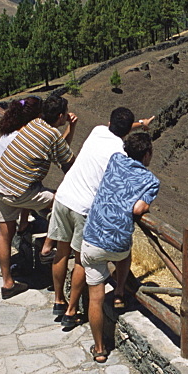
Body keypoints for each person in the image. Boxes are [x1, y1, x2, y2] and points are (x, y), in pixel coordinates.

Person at [39, 108, 155, 324]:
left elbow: (118, 125)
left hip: (63, 196)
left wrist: (140, 122)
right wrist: (141, 125)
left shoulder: (97, 130)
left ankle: (58, 300)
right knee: (81, 261)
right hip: (84, 207)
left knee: (61, 252)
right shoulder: (120, 154)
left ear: (110, 121)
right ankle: (71, 311)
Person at [80, 131, 159, 362]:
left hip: (92, 237)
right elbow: (137, 209)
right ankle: (120, 292)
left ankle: (99, 349)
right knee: (124, 256)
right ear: (147, 155)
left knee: (95, 298)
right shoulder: (152, 181)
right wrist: (144, 207)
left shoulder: (115, 158)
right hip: (118, 243)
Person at [0, 94, 76, 300]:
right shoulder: (52, 135)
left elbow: (56, 149)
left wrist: (68, 131)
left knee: (5, 233)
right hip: (17, 191)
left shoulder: (33, 124)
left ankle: (8, 283)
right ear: (61, 116)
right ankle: (48, 248)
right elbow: (69, 164)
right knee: (61, 200)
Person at [0, 96, 42, 234]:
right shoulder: (24, 136)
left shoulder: (11, 128)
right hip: (2, 179)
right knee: (6, 226)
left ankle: (21, 225)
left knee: (4, 223)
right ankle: (23, 225)